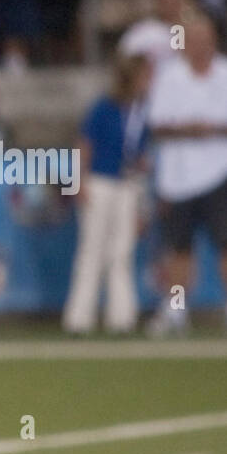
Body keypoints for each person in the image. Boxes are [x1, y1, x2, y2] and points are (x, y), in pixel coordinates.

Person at [144, 12, 227, 335]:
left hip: (220, 172)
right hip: (178, 179)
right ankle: (177, 309)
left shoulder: (225, 73)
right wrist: (192, 130)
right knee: (180, 250)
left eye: (205, 40)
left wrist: (213, 129)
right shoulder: (170, 77)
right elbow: (158, 125)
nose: (199, 46)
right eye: (192, 40)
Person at [62, 53, 151, 335]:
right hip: (99, 182)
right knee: (92, 250)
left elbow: (138, 152)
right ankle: (79, 318)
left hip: (127, 185)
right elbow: (84, 144)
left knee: (121, 251)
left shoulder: (140, 112)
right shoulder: (104, 107)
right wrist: (80, 181)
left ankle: (121, 317)